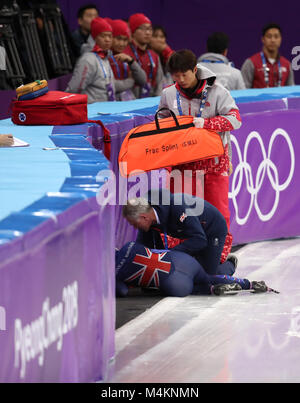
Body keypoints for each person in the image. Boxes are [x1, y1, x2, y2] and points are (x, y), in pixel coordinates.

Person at [158, 49, 242, 263]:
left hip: (213, 163)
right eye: (175, 76)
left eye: (184, 74)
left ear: (195, 70)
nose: (180, 80)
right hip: (182, 164)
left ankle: (219, 259)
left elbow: (235, 120)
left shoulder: (217, 91)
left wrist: (207, 124)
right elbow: (161, 125)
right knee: (180, 214)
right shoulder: (169, 93)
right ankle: (183, 258)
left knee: (218, 212)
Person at [123, 189, 237, 277]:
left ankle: (230, 264)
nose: (134, 227)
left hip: (213, 228)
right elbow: (143, 248)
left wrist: (171, 253)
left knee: (207, 277)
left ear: (144, 217)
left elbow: (200, 240)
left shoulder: (177, 208)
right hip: (193, 230)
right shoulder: (148, 218)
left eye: (134, 223)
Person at [116, 241, 275, 298]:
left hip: (174, 283)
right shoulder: (128, 245)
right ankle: (250, 284)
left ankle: (211, 290)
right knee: (206, 276)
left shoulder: (112, 275)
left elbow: (122, 291)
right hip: (183, 261)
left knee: (192, 288)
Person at [66, 17, 134, 103]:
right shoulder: (87, 60)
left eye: (110, 36)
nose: (107, 40)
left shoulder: (105, 57)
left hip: (105, 109)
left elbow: (108, 85)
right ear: (95, 38)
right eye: (103, 36)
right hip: (92, 111)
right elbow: (74, 89)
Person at [241, 23, 295, 88]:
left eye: (276, 36)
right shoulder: (251, 63)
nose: (273, 40)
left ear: (280, 39)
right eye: (269, 36)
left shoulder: (287, 64)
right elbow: (244, 91)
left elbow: (291, 91)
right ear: (263, 39)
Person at [124, 13, 164, 98]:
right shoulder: (125, 54)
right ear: (133, 31)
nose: (148, 33)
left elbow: (159, 83)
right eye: (143, 29)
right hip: (129, 104)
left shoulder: (154, 56)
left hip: (150, 103)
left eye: (150, 29)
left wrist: (157, 102)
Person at [108, 19, 147, 101]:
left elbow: (143, 80)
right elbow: (110, 86)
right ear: (111, 37)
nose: (122, 44)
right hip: (109, 104)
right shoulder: (104, 58)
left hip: (127, 102)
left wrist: (131, 62)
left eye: (125, 40)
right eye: (118, 39)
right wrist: (130, 81)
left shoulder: (127, 57)